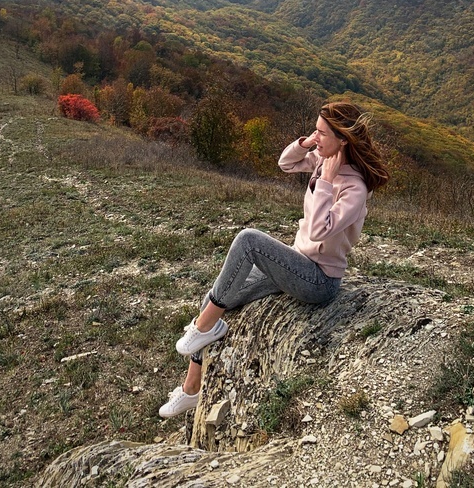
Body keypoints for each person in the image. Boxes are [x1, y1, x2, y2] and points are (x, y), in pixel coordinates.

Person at [159, 99, 389, 418]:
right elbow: (286, 163)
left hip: (318, 280)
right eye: (315, 131)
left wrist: (324, 184)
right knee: (215, 296)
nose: (315, 137)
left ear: (342, 141)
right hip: (297, 263)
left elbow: (320, 230)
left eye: (322, 133)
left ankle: (202, 328)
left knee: (249, 241)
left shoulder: (354, 187)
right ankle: (191, 390)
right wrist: (304, 144)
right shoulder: (322, 160)